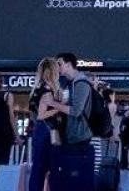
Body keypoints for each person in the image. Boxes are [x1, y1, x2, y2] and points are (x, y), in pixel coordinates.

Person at [48, 52, 95, 190]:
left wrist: (53, 103)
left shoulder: (81, 83)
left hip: (78, 139)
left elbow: (76, 111)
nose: (58, 67)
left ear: (69, 64)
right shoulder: (69, 84)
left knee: (75, 179)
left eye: (59, 64)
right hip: (70, 138)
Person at [28, 58, 65, 191]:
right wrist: (61, 108)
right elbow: (41, 115)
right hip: (48, 132)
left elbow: (34, 113)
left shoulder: (37, 88)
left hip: (39, 131)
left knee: (37, 169)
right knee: (53, 169)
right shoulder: (47, 90)